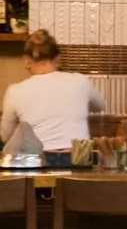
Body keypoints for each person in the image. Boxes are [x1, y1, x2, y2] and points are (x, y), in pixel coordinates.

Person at [0, 31, 96, 159]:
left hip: (38, 161)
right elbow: (100, 105)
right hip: (79, 159)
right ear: (58, 58)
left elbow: (6, 136)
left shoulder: (15, 91)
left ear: (26, 61)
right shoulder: (81, 81)